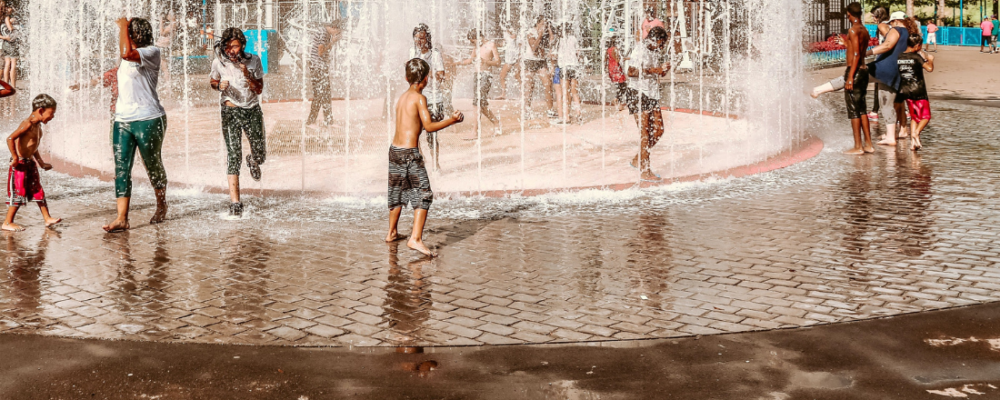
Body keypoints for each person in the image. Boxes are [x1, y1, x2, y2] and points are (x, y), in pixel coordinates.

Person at [385, 58, 464, 257]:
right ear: (426, 79)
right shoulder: (420, 98)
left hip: (395, 151)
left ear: (406, 77)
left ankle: (392, 232)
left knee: (397, 192)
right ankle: (416, 239)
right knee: (424, 193)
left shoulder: (402, 97)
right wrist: (451, 120)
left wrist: (431, 118)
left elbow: (412, 125)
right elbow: (428, 128)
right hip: (409, 155)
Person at [103, 17, 169, 232]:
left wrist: (123, 25)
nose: (124, 37)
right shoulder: (126, 56)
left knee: (152, 164)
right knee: (121, 168)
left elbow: (126, 53)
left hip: (148, 118)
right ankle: (122, 218)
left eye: (128, 33)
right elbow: (124, 54)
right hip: (122, 119)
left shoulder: (151, 52)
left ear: (135, 35)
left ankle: (161, 205)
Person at [210, 28, 266, 218]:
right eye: (227, 47)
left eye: (234, 46)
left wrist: (247, 75)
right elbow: (212, 81)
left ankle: (254, 159)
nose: (230, 50)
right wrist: (218, 86)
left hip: (252, 110)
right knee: (234, 154)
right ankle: (235, 202)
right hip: (230, 110)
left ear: (242, 45)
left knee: (260, 152)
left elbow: (259, 89)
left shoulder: (254, 60)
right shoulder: (219, 62)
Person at [810, 3, 873, 155]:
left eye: (847, 14)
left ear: (850, 14)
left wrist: (850, 77)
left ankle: (858, 147)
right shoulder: (864, 30)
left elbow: (857, 54)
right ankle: (869, 145)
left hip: (855, 72)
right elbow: (859, 49)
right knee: (862, 109)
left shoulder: (852, 30)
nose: (847, 16)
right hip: (864, 71)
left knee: (853, 111)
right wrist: (847, 44)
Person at [3, 94, 61, 232]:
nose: (52, 116)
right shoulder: (27, 124)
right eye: (51, 113)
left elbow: (33, 148)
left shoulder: (38, 127)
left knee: (37, 190)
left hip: (30, 164)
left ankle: (47, 218)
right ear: (41, 110)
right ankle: (7, 222)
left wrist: (41, 163)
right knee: (19, 192)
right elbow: (10, 138)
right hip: (20, 165)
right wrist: (15, 157)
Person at [627, 26, 669, 182]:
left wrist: (663, 71)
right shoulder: (640, 50)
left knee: (658, 130)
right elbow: (630, 72)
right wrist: (654, 70)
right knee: (645, 133)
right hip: (638, 93)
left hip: (652, 94)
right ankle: (645, 171)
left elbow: (656, 72)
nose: (663, 46)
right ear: (656, 39)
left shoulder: (655, 51)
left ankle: (637, 159)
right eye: (662, 42)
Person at [865, 11, 911, 147]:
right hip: (903, 66)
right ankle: (902, 129)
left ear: (895, 21)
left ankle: (894, 132)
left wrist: (868, 52)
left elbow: (888, 43)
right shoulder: (909, 31)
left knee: (890, 101)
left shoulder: (889, 28)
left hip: (888, 63)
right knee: (899, 101)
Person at [410, 24, 447, 171]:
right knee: (413, 132)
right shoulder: (412, 51)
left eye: (422, 38)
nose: (419, 41)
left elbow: (442, 76)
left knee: (431, 135)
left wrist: (429, 71)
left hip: (433, 99)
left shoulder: (435, 54)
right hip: (417, 98)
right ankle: (421, 160)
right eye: (416, 38)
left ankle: (435, 164)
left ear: (427, 38)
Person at [457, 28, 501, 136]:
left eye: (473, 41)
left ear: (478, 37)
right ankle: (496, 122)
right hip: (477, 76)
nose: (473, 44)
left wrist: (486, 61)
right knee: (481, 104)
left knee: (477, 103)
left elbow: (498, 62)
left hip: (486, 75)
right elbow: (470, 60)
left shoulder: (491, 45)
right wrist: (457, 63)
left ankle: (475, 131)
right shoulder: (476, 48)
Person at [897, 33, 934, 151]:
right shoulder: (916, 57)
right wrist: (930, 60)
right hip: (918, 90)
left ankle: (913, 143)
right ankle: (916, 133)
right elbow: (929, 68)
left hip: (906, 91)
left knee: (914, 117)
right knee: (926, 116)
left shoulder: (900, 56)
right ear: (917, 45)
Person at [306, 21, 342, 126]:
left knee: (325, 94)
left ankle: (328, 120)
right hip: (318, 68)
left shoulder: (324, 32)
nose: (337, 35)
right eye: (337, 32)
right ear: (334, 28)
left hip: (319, 67)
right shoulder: (324, 34)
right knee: (320, 94)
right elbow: (320, 52)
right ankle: (311, 121)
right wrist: (332, 42)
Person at [524, 16, 556, 118]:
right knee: (529, 87)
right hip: (530, 61)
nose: (544, 25)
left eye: (546, 24)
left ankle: (550, 110)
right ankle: (526, 111)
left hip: (541, 61)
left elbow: (552, 43)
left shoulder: (546, 33)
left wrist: (550, 32)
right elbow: (533, 48)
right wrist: (540, 35)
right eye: (542, 23)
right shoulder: (530, 32)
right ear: (537, 23)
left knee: (548, 85)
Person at [555, 22, 582, 124]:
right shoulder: (573, 38)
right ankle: (579, 114)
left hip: (564, 67)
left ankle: (566, 117)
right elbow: (578, 53)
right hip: (574, 67)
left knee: (565, 93)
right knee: (574, 92)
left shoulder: (560, 41)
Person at [497, 23, 520, 100]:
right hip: (509, 58)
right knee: (503, 76)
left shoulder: (514, 35)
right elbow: (503, 44)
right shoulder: (506, 35)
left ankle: (523, 94)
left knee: (517, 76)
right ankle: (504, 94)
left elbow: (514, 37)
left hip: (514, 58)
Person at [606, 35, 629, 112]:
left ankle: (619, 105)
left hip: (611, 69)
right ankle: (616, 99)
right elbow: (617, 60)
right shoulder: (615, 49)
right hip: (617, 69)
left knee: (619, 86)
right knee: (623, 86)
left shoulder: (608, 50)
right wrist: (626, 58)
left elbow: (606, 60)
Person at [0, 15, 19, 89]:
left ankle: (6, 85)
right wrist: (11, 22)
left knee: (6, 65)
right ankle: (13, 86)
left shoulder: (2, 24)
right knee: (13, 64)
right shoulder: (10, 22)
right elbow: (11, 29)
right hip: (12, 44)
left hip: (5, 44)